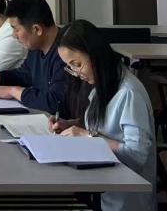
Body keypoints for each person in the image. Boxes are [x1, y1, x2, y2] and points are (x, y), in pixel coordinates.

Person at [50, 20, 156, 211]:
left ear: (95, 55)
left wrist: (88, 137)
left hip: (126, 198)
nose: (76, 73)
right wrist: (71, 125)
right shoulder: (104, 82)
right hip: (103, 182)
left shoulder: (128, 93)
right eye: (70, 67)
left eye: (77, 64)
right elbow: (105, 126)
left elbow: (137, 154)